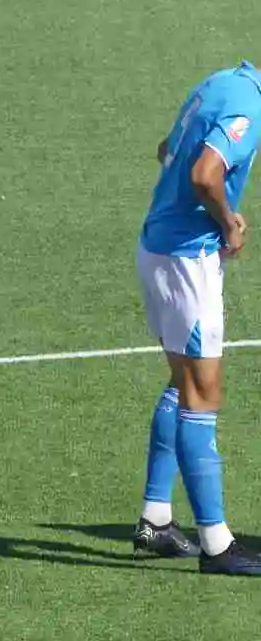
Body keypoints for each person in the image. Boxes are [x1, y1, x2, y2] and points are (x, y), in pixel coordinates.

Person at [134, 61, 261, 575]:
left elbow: (168, 149)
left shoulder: (223, 81)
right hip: (187, 260)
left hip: (160, 246)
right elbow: (204, 174)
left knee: (182, 382)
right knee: (202, 393)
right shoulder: (250, 104)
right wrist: (227, 221)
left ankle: (156, 518)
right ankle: (217, 545)